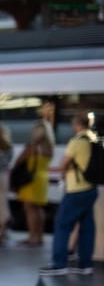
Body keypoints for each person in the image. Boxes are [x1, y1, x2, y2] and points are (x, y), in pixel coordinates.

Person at [40, 112, 98, 276]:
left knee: (62, 225)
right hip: (91, 189)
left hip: (76, 190)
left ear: (77, 125)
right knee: (87, 227)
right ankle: (85, 264)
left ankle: (59, 264)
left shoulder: (77, 141)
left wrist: (53, 169)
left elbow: (63, 164)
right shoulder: (95, 139)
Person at [16, 121, 54, 246]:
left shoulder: (32, 147)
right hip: (43, 178)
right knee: (39, 208)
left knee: (29, 209)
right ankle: (40, 236)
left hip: (31, 179)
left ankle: (32, 236)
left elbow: (19, 161)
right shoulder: (49, 147)